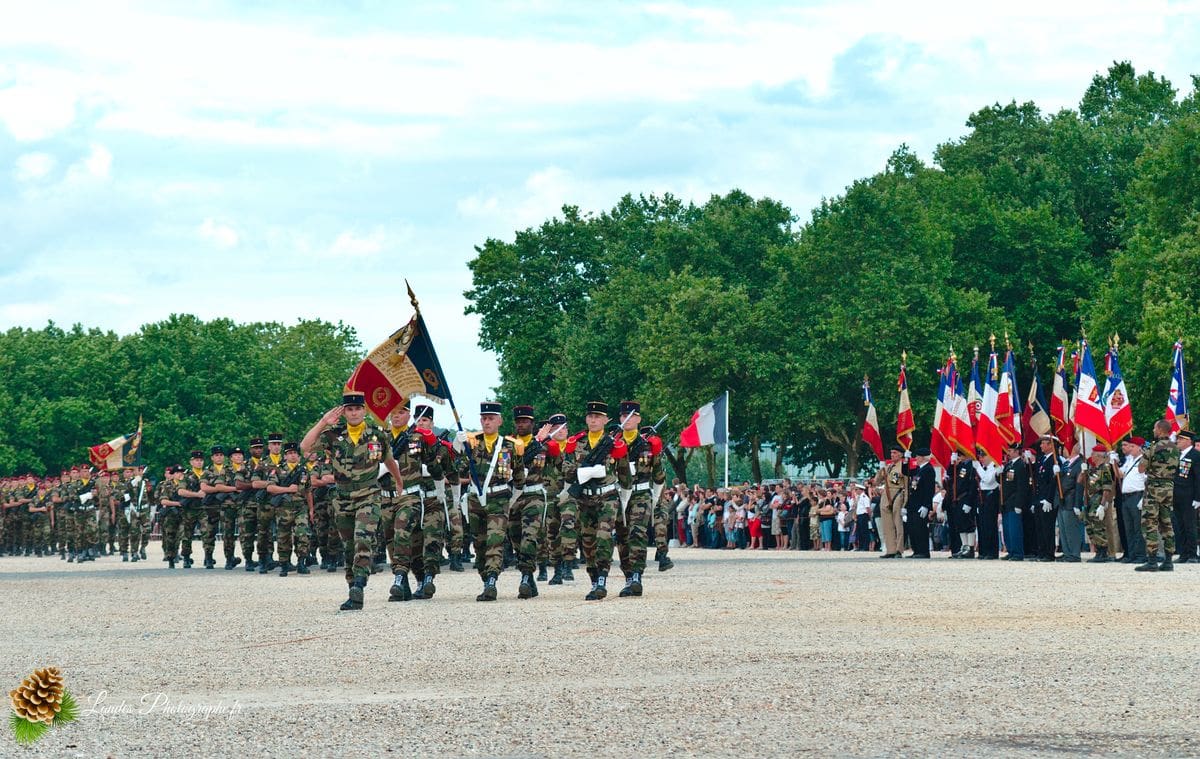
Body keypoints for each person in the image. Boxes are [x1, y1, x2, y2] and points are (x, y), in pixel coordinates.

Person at [301, 391, 403, 610]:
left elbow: (389, 459)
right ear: (344, 412)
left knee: (363, 538)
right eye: (350, 409)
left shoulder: (377, 434)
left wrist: (398, 480)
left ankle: (359, 582)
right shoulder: (333, 435)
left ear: (364, 411)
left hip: (368, 495)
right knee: (348, 547)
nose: (354, 412)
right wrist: (323, 422)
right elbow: (305, 447)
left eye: (358, 409)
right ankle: (353, 591)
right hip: (343, 498)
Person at [560, 400, 632, 601]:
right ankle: (593, 580)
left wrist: (626, 497)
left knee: (603, 537)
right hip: (585, 499)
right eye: (590, 416)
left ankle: (602, 579)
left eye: (598, 417)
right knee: (588, 541)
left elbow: (625, 474)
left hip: (608, 497)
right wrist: (585, 472)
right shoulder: (576, 442)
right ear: (586, 418)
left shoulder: (615, 444)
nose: (593, 420)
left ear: (606, 420)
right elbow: (566, 471)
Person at [455, 401, 525, 602]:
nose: (487, 422)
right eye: (484, 419)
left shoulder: (510, 446)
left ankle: (492, 581)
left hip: (498, 499)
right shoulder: (472, 442)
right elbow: (459, 472)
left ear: (500, 421)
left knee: (495, 540)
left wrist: (510, 500)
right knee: (479, 543)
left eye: (491, 418)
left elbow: (519, 478)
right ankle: (485, 578)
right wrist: (460, 449)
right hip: (476, 500)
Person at [377, 402, 425, 601]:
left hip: (409, 495)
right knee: (391, 540)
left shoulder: (418, 438)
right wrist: (385, 468)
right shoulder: (381, 438)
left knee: (401, 533)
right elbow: (372, 464)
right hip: (386, 497)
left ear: (409, 415)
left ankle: (399, 576)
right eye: (393, 412)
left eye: (401, 412)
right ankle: (405, 583)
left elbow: (433, 462)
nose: (396, 416)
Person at [413, 403, 461, 599]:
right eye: (418, 420)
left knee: (432, 541)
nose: (421, 423)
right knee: (414, 543)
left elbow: (449, 470)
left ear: (431, 423)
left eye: (425, 420)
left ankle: (429, 579)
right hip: (413, 499)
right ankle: (418, 579)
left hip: (434, 499)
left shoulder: (440, 447)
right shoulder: (408, 443)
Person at [509, 404, 552, 599]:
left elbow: (557, 467)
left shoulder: (543, 446)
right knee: (516, 538)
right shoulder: (508, 444)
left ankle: (526, 576)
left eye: (525, 421)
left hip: (534, 496)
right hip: (514, 496)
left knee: (529, 536)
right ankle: (528, 576)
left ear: (532, 423)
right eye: (518, 421)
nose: (521, 424)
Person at [1136, 420, 1179, 572]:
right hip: (1169, 487)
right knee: (1167, 523)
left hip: (1154, 488)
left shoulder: (1152, 447)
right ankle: (1168, 560)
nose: (1153, 430)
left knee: (1150, 523)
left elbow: (1141, 469)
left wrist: (1144, 456)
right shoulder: (1175, 448)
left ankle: (1152, 560)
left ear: (1160, 430)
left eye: (1155, 427)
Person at [1114, 436, 1148, 564]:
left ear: (1140, 448)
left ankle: (1140, 555)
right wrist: (1114, 463)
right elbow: (1120, 475)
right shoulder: (1129, 460)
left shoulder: (1144, 461)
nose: (1130, 448)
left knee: (1138, 527)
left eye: (1133, 446)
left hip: (1137, 495)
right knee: (1129, 527)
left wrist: (1143, 498)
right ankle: (1132, 554)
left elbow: (1147, 480)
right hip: (1126, 497)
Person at [1083, 444, 1117, 563]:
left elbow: (1107, 488)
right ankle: (1098, 550)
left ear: (1098, 455)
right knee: (1091, 526)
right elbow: (1080, 482)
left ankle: (1103, 552)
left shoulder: (1104, 469)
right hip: (1090, 501)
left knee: (1099, 527)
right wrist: (1083, 471)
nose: (1091, 456)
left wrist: (1102, 505)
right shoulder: (1093, 469)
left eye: (1093, 454)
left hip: (1098, 500)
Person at [1171, 429, 1200, 563]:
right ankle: (1183, 554)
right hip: (1177, 495)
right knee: (1179, 525)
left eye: (1181, 439)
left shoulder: (1195, 455)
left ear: (1189, 441)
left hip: (1189, 496)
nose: (1178, 441)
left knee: (1190, 526)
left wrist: (1198, 498)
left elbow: (1198, 478)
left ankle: (1193, 554)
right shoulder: (1177, 455)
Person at [1032, 436, 1061, 562]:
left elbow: (1052, 483)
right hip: (1039, 498)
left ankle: (1049, 553)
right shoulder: (1042, 459)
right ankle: (1041, 552)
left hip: (1047, 500)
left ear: (1051, 445)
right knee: (1039, 527)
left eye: (1043, 443)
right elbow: (1037, 481)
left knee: (1047, 527)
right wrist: (1035, 500)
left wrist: (1048, 499)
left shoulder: (1055, 460)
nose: (1041, 446)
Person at [999, 443, 1029, 561]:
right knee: (1007, 529)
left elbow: (1022, 487)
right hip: (1006, 502)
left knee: (1014, 529)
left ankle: (1017, 553)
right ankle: (1011, 551)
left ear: (1017, 452)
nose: (1008, 453)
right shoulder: (1009, 465)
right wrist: (999, 474)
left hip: (1014, 502)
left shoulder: (1020, 465)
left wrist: (1019, 504)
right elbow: (1005, 482)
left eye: (1010, 451)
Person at [946, 453, 978, 559]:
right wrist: (952, 463)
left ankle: (970, 548)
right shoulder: (960, 465)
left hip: (966, 497)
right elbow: (950, 473)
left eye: (961, 454)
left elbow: (973, 485)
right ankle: (964, 547)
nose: (960, 457)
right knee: (960, 524)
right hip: (957, 498)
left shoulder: (972, 466)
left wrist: (969, 502)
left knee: (968, 524)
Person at [1055, 444, 1084, 562]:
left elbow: (1079, 485)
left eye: (1066, 447)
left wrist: (1077, 504)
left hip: (1071, 499)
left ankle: (1074, 553)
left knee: (1071, 528)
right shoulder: (1066, 463)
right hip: (1061, 500)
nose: (1063, 449)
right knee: (1063, 528)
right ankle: (1067, 552)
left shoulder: (1079, 464)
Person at [905, 449, 934, 558]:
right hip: (913, 504)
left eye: (917, 457)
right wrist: (906, 460)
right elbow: (905, 472)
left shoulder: (928, 470)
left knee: (920, 528)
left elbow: (929, 489)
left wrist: (926, 506)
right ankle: (916, 550)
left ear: (923, 457)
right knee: (912, 528)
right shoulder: (918, 469)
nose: (916, 459)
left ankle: (923, 551)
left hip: (921, 504)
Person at [973, 451, 1001, 559]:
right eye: (980, 457)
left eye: (983, 456)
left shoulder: (995, 466)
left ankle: (992, 552)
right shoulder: (984, 468)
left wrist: (978, 468)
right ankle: (983, 551)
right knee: (982, 525)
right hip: (982, 496)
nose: (981, 459)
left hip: (991, 496)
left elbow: (988, 480)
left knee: (990, 525)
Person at [852, 483, 871, 551]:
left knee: (864, 531)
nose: (856, 491)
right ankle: (860, 546)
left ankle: (865, 547)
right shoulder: (858, 497)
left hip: (864, 515)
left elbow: (868, 508)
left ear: (861, 490)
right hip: (859, 515)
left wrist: (869, 516)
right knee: (859, 532)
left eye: (857, 489)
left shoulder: (864, 497)